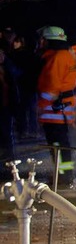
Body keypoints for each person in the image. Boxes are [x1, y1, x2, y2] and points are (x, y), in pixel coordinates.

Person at [37, 26, 76, 186]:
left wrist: (41, 104)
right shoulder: (67, 55)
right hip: (62, 109)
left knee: (57, 146)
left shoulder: (56, 58)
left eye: (44, 39)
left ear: (50, 40)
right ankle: (64, 175)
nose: (42, 42)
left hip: (53, 110)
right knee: (61, 145)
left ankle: (62, 178)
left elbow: (51, 87)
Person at [10, 35, 41, 140]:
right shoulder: (21, 54)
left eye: (17, 41)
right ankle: (29, 131)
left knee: (26, 109)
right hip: (27, 85)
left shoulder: (20, 55)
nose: (15, 43)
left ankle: (27, 131)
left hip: (26, 85)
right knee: (28, 109)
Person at [0, 48, 20, 180]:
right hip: (5, 106)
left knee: (6, 136)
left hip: (5, 108)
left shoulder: (8, 69)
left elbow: (13, 89)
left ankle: (9, 166)